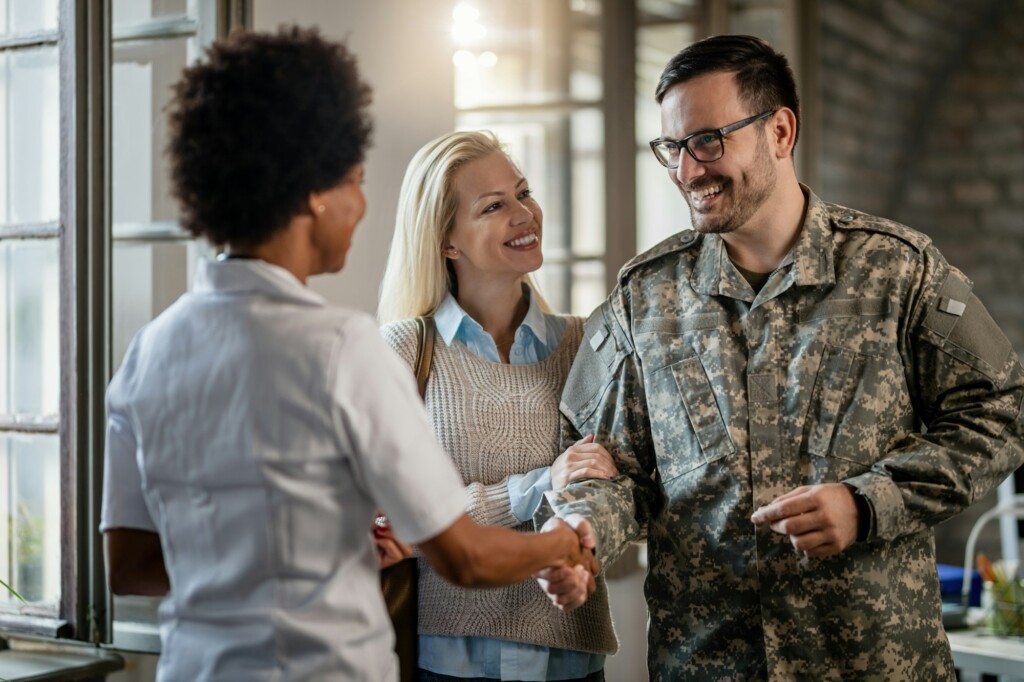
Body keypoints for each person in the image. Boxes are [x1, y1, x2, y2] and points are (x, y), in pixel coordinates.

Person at [98, 28, 597, 682]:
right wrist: (564, 543)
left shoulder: (149, 352)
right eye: (355, 182)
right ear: (314, 191)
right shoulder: (343, 348)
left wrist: (290, 553)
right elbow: (464, 558)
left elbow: (131, 567)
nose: (361, 207)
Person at [538, 34, 1024, 681]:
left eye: (708, 141)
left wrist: (869, 501)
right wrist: (584, 530)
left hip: (873, 663)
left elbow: (999, 413)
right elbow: (610, 465)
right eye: (672, 148)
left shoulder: (897, 271)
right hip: (706, 664)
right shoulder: (644, 295)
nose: (688, 170)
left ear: (780, 131)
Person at [377, 129, 618, 682]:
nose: (524, 213)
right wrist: (539, 484)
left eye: (523, 192)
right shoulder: (404, 349)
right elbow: (396, 520)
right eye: (493, 205)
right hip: (446, 662)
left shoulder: (588, 344)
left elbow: (611, 492)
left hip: (571, 657)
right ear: (446, 242)